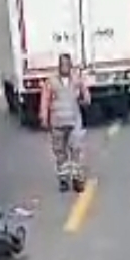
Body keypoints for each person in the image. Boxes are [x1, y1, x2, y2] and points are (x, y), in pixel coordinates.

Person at [39, 52, 90, 192]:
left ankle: (76, 179)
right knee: (60, 152)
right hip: (57, 123)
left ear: (71, 65)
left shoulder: (77, 80)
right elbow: (45, 100)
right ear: (59, 66)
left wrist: (85, 99)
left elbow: (86, 96)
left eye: (67, 64)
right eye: (62, 64)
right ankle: (63, 179)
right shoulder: (51, 82)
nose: (65, 67)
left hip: (74, 121)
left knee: (76, 149)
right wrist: (44, 117)